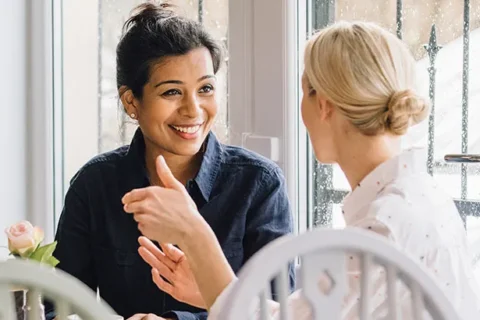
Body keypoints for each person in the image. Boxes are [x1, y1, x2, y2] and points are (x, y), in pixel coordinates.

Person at [123, 21, 480, 319]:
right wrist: (211, 292)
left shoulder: (382, 225)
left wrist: (193, 232)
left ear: (322, 103)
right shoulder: (416, 199)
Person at [45, 3, 294, 320]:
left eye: (205, 88)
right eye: (172, 92)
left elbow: (278, 311)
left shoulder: (259, 185)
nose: (193, 110)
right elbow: (57, 307)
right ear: (131, 101)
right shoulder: (94, 184)